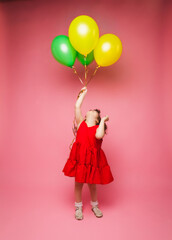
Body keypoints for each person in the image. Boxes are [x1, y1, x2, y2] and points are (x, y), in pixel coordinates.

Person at [62, 86, 114, 220]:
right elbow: (77, 107)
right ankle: (78, 207)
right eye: (90, 110)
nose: (91, 110)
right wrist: (84, 94)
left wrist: (103, 121)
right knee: (78, 184)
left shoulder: (98, 127)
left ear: (97, 119)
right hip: (80, 158)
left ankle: (94, 205)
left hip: (92, 161)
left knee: (92, 185)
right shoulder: (81, 124)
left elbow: (99, 136)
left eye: (95, 112)